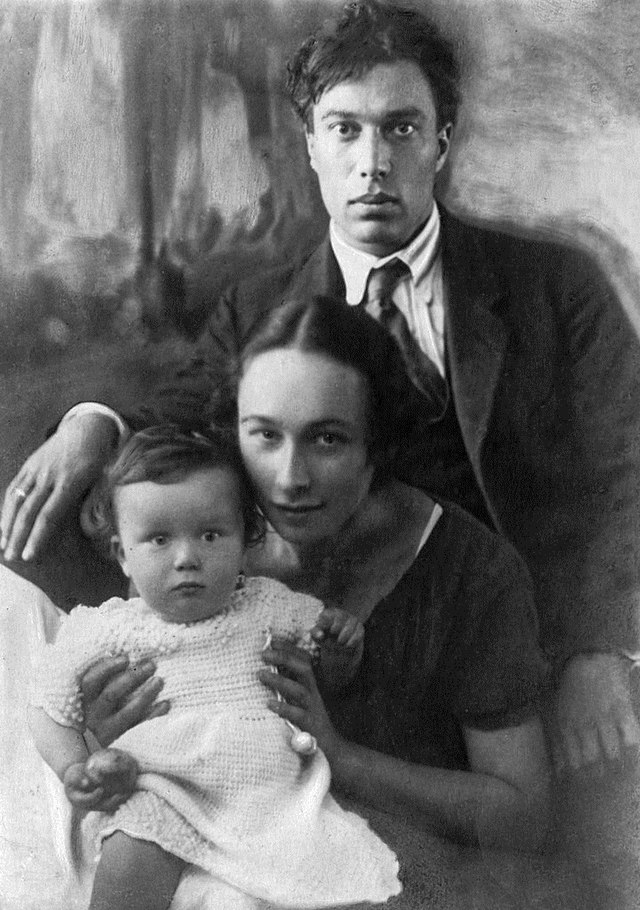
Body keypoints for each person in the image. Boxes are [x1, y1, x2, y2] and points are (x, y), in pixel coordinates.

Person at [3, 0, 639, 776]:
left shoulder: (554, 286)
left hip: (522, 643)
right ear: (310, 146)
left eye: (401, 128)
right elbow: (173, 429)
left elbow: (625, 471)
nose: (372, 161)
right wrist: (89, 426)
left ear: (442, 141)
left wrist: (599, 648)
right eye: (345, 129)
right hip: (337, 656)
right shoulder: (259, 310)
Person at [28, 423, 401, 910]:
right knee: (133, 847)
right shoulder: (109, 629)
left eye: (209, 535)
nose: (187, 558)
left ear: (246, 539)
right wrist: (75, 767)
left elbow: (325, 674)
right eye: (159, 540)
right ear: (123, 554)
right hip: (162, 784)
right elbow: (49, 704)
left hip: (269, 791)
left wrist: (341, 650)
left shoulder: (271, 605)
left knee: (333, 870)